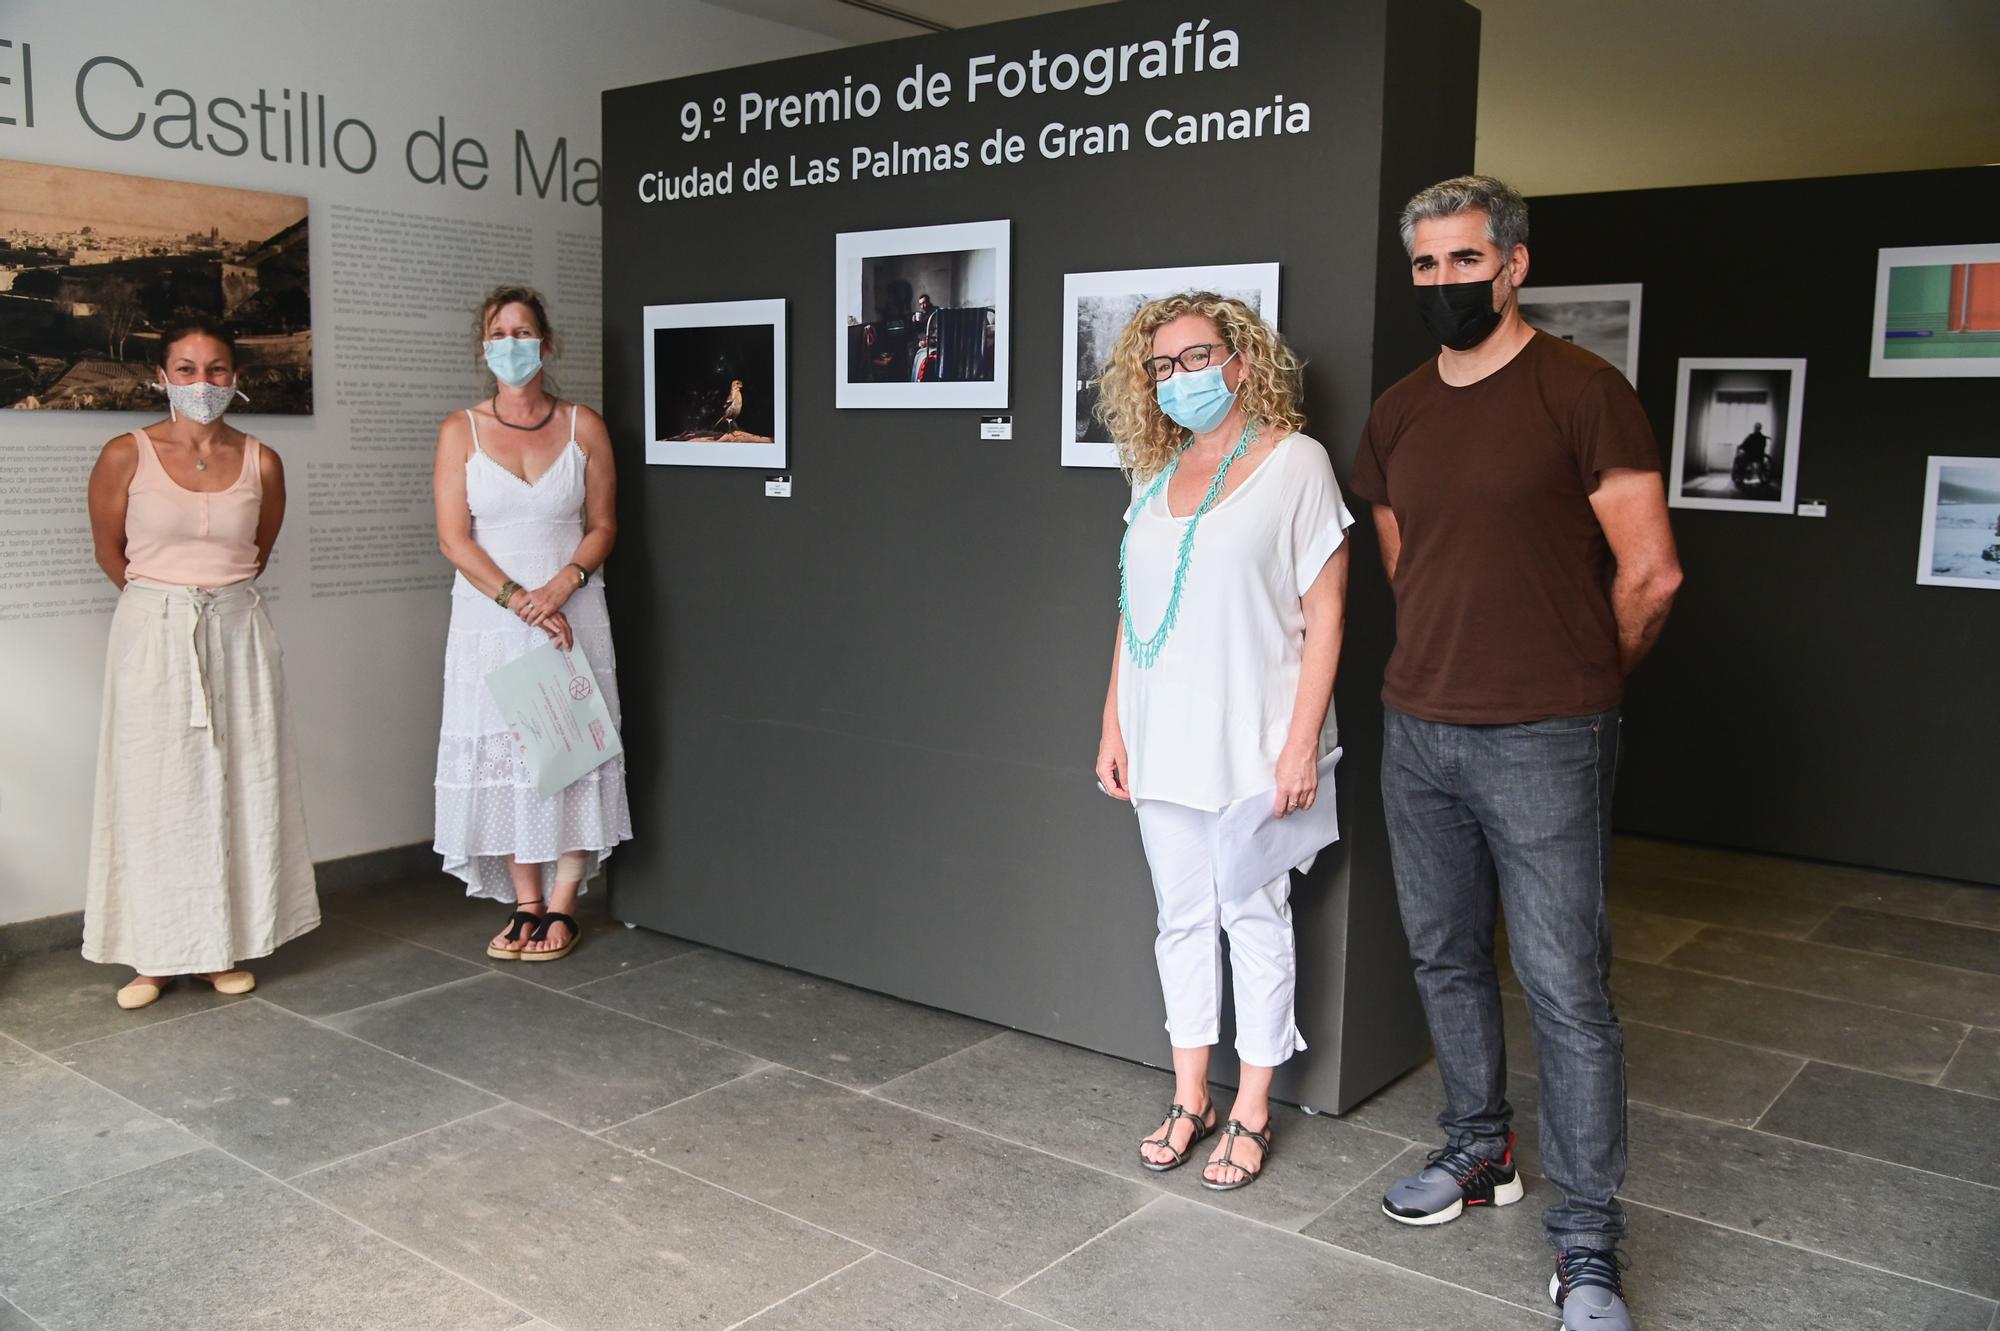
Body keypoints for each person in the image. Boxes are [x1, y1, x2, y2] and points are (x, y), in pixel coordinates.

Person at [1348, 176, 1682, 1331]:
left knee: (1565, 990)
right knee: (1443, 956)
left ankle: (1586, 1246)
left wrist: (1578, 682)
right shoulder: (1395, 412)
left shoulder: (1584, 392)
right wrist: (1455, 666)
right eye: (1425, 267)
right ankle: (1476, 1150)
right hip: (1417, 728)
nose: (1444, 283)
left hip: (1547, 736)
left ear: (1513, 264)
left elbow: (1650, 574)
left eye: (1462, 261)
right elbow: (1410, 563)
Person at [1093, 293, 1353, 1191]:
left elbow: (1328, 617)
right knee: (1180, 922)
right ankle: (1190, 1094)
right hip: (1163, 742)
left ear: (1242, 361)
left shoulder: (1297, 465)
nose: (1180, 378)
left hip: (1254, 741)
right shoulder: (1151, 476)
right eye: (1163, 366)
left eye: (1196, 358)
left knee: (1255, 918)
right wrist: (1113, 721)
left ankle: (1250, 1108)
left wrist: (1300, 744)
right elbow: (1132, 616)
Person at [82, 316, 319, 1009]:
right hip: (153, 633)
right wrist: (166, 609)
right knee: (153, 790)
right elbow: (110, 552)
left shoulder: (261, 460)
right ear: (161, 376)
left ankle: (222, 945)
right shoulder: (125, 454)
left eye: (216, 370)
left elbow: (257, 549)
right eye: (186, 369)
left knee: (239, 782)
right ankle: (152, 954)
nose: (202, 382)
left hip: (238, 628)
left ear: (235, 378)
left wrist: (216, 604)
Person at [432, 285, 631, 960]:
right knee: (510, 749)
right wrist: (520, 599)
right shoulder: (459, 429)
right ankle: (526, 901)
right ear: (483, 346)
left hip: (571, 608)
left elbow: (603, 524)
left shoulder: (585, 426)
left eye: (523, 333)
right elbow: (455, 538)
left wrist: (562, 585)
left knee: (568, 747)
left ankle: (565, 903)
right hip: (494, 616)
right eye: (499, 333)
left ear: (546, 344)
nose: (510, 344)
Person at [909, 293, 938, 381]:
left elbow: (937, 332)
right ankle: (912, 373)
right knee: (910, 346)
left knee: (912, 350)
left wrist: (927, 342)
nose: (922, 306)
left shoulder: (935, 313)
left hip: (932, 340)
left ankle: (917, 376)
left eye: (924, 303)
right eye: (920, 304)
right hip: (924, 338)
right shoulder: (923, 314)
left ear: (929, 302)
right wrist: (914, 322)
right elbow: (919, 330)